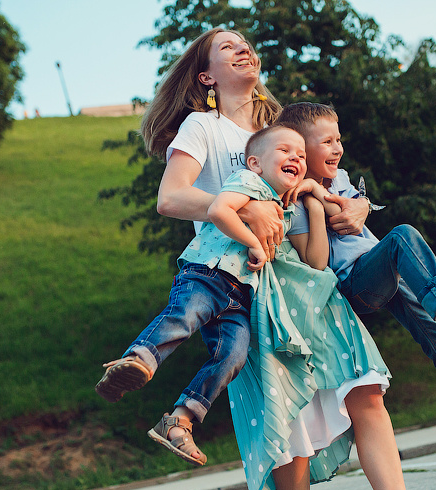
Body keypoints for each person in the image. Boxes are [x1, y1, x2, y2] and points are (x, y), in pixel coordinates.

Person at [133, 28, 436, 490]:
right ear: (206, 77)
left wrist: (352, 205)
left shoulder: (283, 130)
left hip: (310, 280)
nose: (241, 48)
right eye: (225, 48)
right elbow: (171, 197)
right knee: (286, 414)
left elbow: (326, 185)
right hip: (246, 286)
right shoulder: (205, 126)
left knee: (364, 391)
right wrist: (244, 210)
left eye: (245, 41)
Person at [276, 102, 436, 461]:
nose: (337, 148)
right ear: (302, 149)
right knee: (401, 235)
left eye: (339, 139)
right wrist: (318, 198)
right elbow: (325, 246)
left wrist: (343, 198)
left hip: (382, 270)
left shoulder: (340, 178)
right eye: (327, 142)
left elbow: (353, 215)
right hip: (354, 284)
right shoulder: (293, 192)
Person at [94, 125, 330, 466]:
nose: (297, 157)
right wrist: (253, 243)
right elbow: (220, 210)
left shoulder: (285, 210)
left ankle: (179, 420)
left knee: (232, 356)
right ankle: (136, 361)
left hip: (239, 298)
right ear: (256, 163)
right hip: (207, 273)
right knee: (184, 316)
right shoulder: (247, 183)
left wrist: (320, 200)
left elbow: (313, 261)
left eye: (302, 155)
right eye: (285, 150)